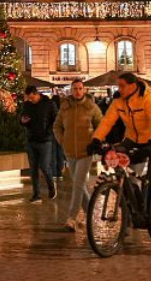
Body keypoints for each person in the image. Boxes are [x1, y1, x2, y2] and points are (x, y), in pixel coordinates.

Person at [87, 73, 151, 238]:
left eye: (123, 85)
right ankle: (133, 211)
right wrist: (96, 139)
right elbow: (107, 122)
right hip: (133, 139)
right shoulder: (119, 102)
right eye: (119, 86)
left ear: (133, 85)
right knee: (121, 171)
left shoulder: (148, 99)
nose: (120, 89)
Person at [54, 79, 102, 230]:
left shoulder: (91, 107)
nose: (77, 91)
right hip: (69, 151)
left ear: (84, 89)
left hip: (85, 151)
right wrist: (62, 140)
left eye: (80, 88)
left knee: (78, 184)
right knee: (79, 185)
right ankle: (90, 214)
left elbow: (101, 125)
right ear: (71, 90)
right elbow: (57, 126)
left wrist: (94, 139)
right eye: (74, 88)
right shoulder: (65, 107)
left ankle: (71, 218)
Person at [19, 84, 58, 202]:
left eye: (32, 98)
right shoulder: (27, 105)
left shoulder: (49, 104)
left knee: (45, 166)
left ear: (37, 94)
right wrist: (22, 121)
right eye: (28, 98)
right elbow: (21, 118)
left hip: (45, 140)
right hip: (31, 140)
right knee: (33, 169)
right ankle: (36, 195)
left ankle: (51, 186)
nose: (30, 100)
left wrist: (48, 131)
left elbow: (56, 119)